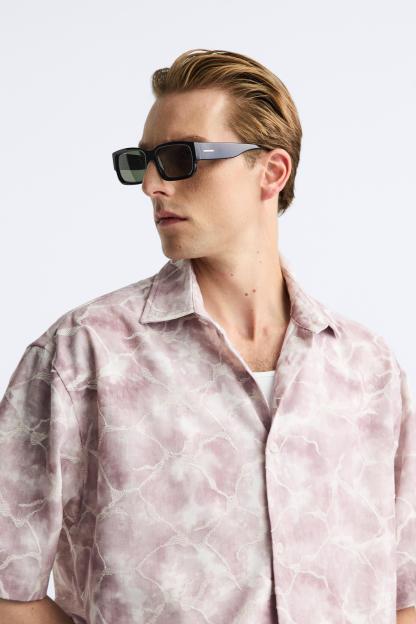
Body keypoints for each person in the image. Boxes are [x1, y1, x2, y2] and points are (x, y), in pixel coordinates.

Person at [0, 48, 415, 624]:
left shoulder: (366, 369)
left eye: (180, 158)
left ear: (271, 172)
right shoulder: (80, 356)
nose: (151, 185)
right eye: (142, 162)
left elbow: (403, 596)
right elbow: (8, 590)